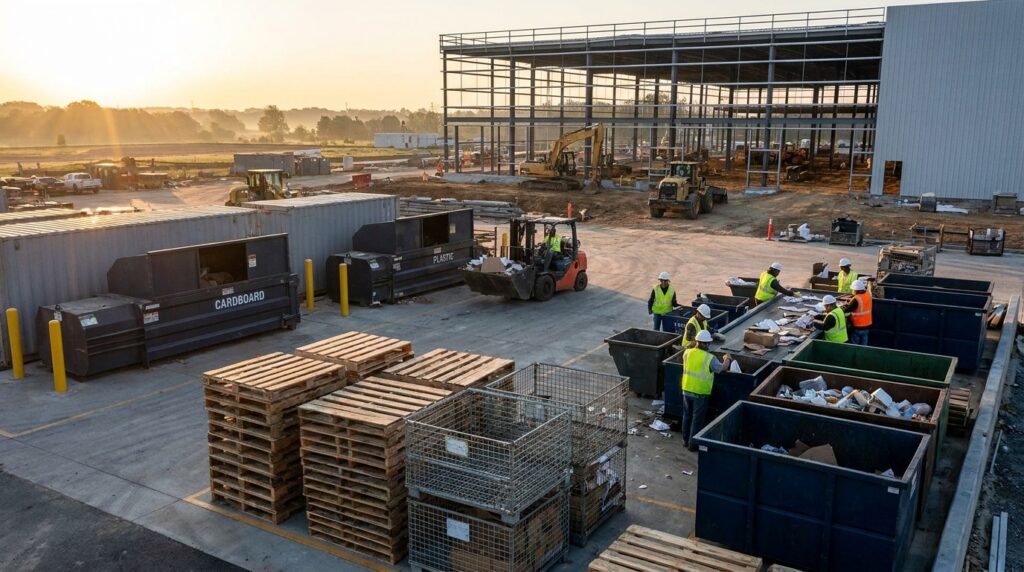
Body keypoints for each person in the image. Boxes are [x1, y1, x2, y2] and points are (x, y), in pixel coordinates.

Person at [680, 330, 732, 451]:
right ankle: (692, 445)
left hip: (686, 389)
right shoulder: (710, 358)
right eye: (708, 343)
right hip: (700, 393)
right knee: (696, 420)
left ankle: (685, 440)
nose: (709, 345)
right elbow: (722, 368)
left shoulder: (687, 353)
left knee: (687, 416)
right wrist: (727, 358)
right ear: (705, 344)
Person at [845, 279, 872, 345]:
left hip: (858, 326)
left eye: (853, 289)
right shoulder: (868, 294)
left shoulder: (857, 299)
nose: (852, 291)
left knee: (855, 346)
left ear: (856, 290)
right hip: (867, 325)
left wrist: (843, 307)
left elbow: (846, 310)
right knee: (864, 345)